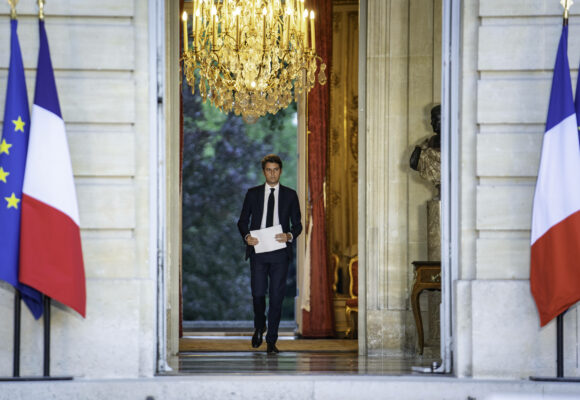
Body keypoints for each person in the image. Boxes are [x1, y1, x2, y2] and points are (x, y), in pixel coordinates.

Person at [237, 154, 302, 354]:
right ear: (264, 171)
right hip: (258, 251)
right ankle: (259, 325)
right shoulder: (253, 193)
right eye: (268, 170)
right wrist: (246, 236)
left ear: (280, 171)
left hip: (280, 253)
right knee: (257, 294)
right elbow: (242, 221)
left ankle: (271, 341)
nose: (272, 173)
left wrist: (289, 235)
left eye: (275, 170)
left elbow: (298, 224)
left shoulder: (291, 195)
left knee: (276, 298)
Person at [409, 104, 441, 191]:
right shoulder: (426, 145)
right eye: (432, 120)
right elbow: (413, 163)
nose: (431, 123)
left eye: (435, 119)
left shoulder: (458, 149)